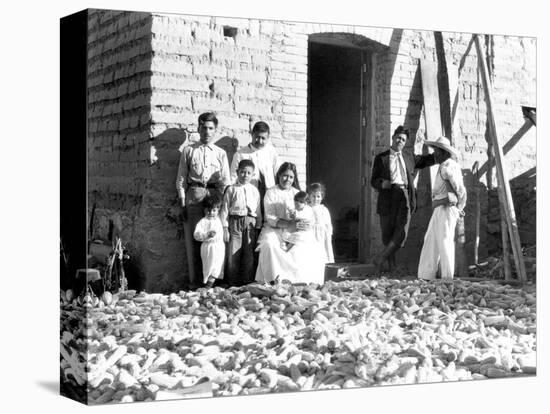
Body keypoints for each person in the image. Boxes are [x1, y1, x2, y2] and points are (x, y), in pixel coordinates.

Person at [175, 112, 230, 289]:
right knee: (195, 240)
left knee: (216, 241)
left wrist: (222, 203)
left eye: (211, 128)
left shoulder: (220, 153)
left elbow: (227, 180)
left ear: (215, 130)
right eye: (204, 127)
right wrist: (183, 202)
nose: (207, 131)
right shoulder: (189, 150)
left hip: (214, 196)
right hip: (195, 194)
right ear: (198, 128)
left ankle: (212, 282)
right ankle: (195, 282)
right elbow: (181, 178)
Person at [370, 125, 436, 273]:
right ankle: (391, 268)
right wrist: (382, 183)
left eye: (403, 139)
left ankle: (380, 258)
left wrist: (441, 154)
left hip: (404, 195)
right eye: (398, 138)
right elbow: (373, 180)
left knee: (402, 232)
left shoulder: (409, 157)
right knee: (388, 233)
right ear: (393, 138)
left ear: (405, 142)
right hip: (388, 196)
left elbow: (426, 161)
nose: (400, 141)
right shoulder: (382, 158)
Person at [255, 162, 325, 285]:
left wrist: (305, 224)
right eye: (284, 176)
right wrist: (288, 225)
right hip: (274, 228)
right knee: (269, 244)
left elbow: (306, 211)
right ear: (279, 176)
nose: (287, 179)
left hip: (294, 230)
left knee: (308, 246)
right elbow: (270, 217)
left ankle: (298, 280)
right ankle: (273, 279)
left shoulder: (297, 193)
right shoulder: (271, 192)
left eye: (291, 177)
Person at [418, 136, 467, 280]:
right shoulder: (443, 165)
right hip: (440, 207)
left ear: (444, 153)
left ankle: (447, 277)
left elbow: (460, 190)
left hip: (446, 207)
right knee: (431, 239)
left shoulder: (448, 166)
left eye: (437, 151)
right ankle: (426, 275)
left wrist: (459, 207)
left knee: (445, 241)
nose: (434, 154)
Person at [221, 159, 262, 286]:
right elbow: (225, 209)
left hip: (250, 223)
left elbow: (258, 209)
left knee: (248, 254)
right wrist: (225, 227)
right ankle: (232, 282)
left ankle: (246, 281)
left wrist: (258, 226)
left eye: (248, 173)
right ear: (237, 172)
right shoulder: (231, 189)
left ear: (252, 174)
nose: (245, 175)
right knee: (233, 252)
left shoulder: (254, 190)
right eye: (242, 172)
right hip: (235, 222)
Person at [230, 121, 279, 205]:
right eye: (257, 137)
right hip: (248, 195)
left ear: (268, 137)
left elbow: (278, 172)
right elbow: (233, 177)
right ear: (252, 134)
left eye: (263, 138)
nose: (260, 141)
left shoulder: (271, 152)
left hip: (269, 194)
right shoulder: (240, 154)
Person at [193, 195, 225, 288]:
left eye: (214, 210)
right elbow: (196, 235)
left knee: (218, 265)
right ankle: (206, 284)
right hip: (208, 247)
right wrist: (206, 235)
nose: (211, 213)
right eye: (208, 210)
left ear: (218, 210)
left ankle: (212, 284)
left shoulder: (219, 219)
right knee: (209, 265)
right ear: (204, 210)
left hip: (219, 246)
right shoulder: (203, 221)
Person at [307, 182, 334, 263]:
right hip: (310, 234)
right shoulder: (307, 208)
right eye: (313, 196)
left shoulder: (324, 210)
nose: (316, 199)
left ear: (322, 197)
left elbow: (328, 225)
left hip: (322, 236)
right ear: (309, 196)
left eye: (318, 196)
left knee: (323, 253)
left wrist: (328, 235)